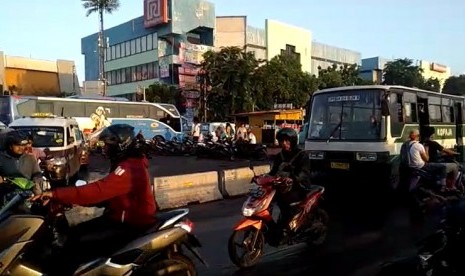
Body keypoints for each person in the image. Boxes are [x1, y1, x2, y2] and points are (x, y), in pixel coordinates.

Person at [32, 124, 157, 275]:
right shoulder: (126, 163)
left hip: (130, 225)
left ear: (121, 145)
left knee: (76, 241)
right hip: (118, 218)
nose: (104, 149)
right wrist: (67, 199)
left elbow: (99, 191)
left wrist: (55, 194)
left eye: (108, 145)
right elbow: (107, 196)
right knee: (75, 233)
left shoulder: (129, 168)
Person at [268, 127, 312, 236]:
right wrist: (263, 177)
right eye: (281, 141)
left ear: (292, 141)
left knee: (286, 201)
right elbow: (273, 172)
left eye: (287, 141)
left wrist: (293, 179)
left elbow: (304, 173)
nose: (284, 143)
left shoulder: (302, 154)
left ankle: (290, 226)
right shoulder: (280, 156)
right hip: (283, 186)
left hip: (299, 186)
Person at [0, 130, 42, 195]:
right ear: (10, 145)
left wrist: (36, 184)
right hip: (6, 195)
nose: (21, 148)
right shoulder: (2, 158)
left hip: (27, 194)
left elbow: (37, 174)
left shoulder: (30, 158)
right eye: (17, 145)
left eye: (23, 145)